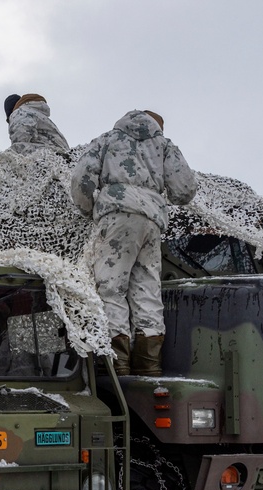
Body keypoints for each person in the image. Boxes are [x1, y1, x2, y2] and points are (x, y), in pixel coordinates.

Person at [70, 110, 197, 375]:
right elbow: (185, 190)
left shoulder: (107, 139)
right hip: (151, 222)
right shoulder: (164, 146)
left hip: (117, 217)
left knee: (111, 288)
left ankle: (117, 367)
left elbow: (81, 178)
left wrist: (88, 208)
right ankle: (149, 368)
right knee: (147, 290)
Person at [4, 93, 70, 155]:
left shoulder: (18, 113)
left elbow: (21, 135)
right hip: (59, 152)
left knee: (12, 154)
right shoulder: (33, 112)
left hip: (50, 154)